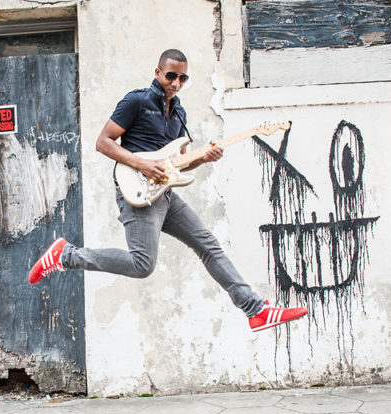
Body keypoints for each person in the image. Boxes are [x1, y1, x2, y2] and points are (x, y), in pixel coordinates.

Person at [28, 49, 307, 332]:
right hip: (138, 191)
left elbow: (177, 167)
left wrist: (202, 158)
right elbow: (103, 142)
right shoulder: (136, 101)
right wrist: (143, 164)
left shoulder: (179, 114)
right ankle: (65, 255)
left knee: (207, 245)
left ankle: (255, 310)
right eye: (171, 75)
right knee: (142, 264)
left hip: (164, 194)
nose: (175, 82)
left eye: (182, 78)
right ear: (158, 72)